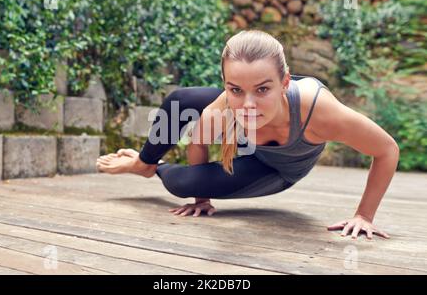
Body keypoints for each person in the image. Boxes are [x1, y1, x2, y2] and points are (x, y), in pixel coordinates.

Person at [96, 30, 399, 240]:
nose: (248, 105)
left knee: (182, 182)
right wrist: (202, 199)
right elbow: (199, 140)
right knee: (182, 101)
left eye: (263, 88)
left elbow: (386, 149)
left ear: (285, 82)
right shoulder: (227, 105)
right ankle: (145, 162)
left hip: (273, 169)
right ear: (226, 84)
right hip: (248, 139)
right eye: (235, 88)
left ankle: (156, 169)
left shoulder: (319, 111)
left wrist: (364, 215)